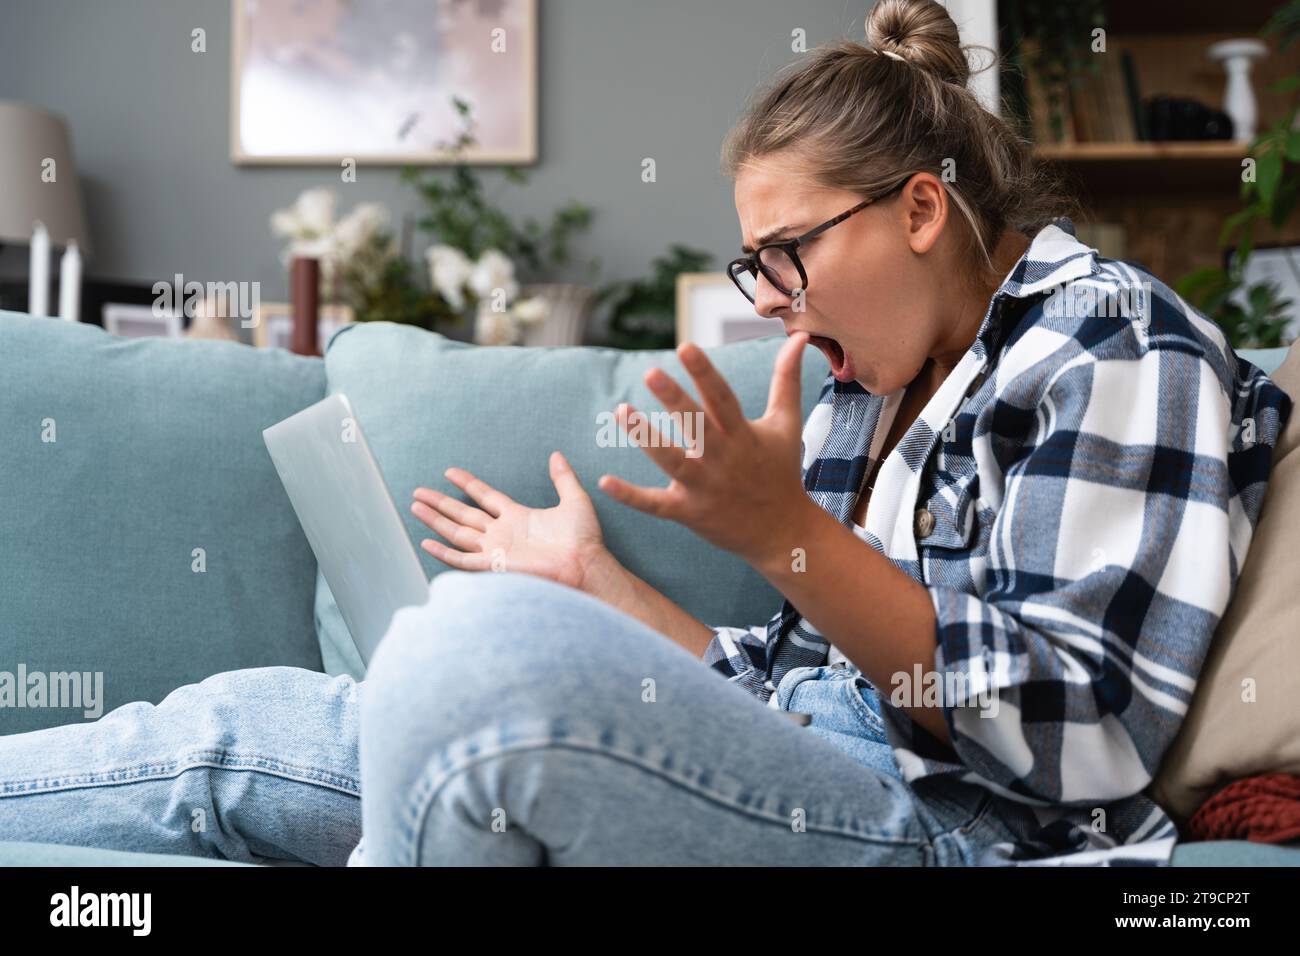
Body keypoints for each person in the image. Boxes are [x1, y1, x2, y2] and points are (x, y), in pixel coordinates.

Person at [0, 0, 1290, 866]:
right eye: (756, 265)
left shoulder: (1115, 347)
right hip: (810, 763)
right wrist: (596, 582)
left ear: (917, 211)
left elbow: (1080, 739)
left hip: (959, 832)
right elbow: (785, 687)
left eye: (789, 252)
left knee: (485, 657)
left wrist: (785, 536)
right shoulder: (864, 380)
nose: (773, 301)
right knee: (246, 726)